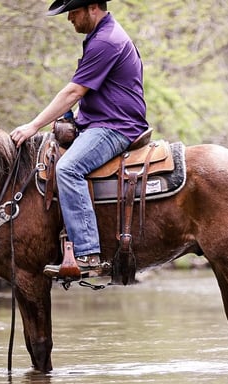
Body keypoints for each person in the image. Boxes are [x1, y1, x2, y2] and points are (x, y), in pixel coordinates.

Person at [10, 0, 148, 278]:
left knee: (68, 168)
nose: (69, 18)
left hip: (116, 127)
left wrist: (34, 125)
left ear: (93, 7)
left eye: (73, 11)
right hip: (100, 122)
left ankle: (87, 253)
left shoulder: (106, 41)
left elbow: (74, 92)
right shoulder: (99, 36)